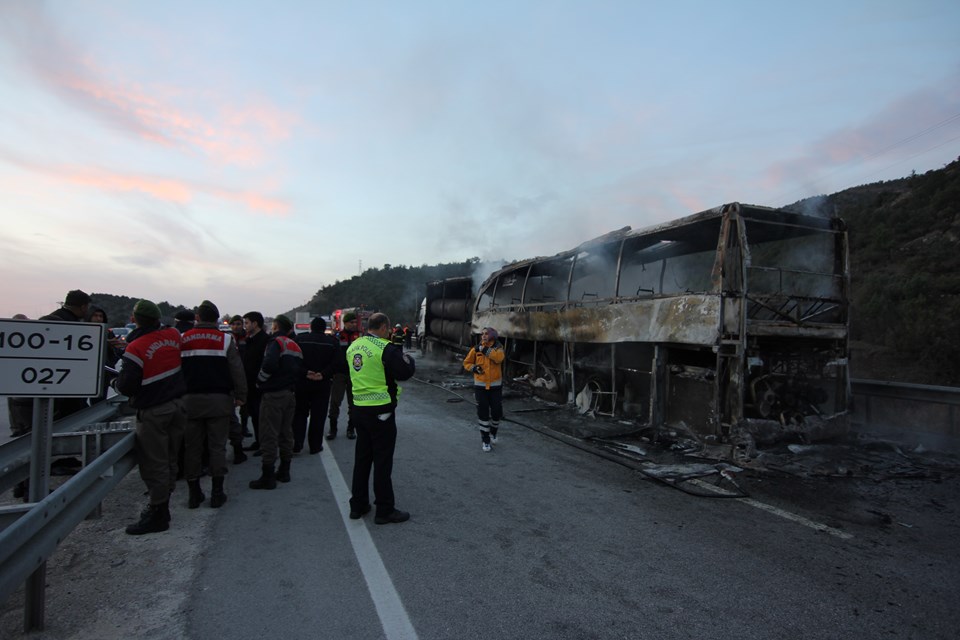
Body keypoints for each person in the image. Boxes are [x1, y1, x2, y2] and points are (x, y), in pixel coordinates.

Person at [114, 299, 186, 535]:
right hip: (177, 405)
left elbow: (127, 386)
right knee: (170, 458)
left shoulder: (135, 348)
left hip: (154, 411)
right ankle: (164, 500)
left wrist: (115, 382)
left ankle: (158, 512)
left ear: (134, 319)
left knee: (154, 462)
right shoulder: (174, 335)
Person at [346, 312, 415, 525]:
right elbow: (405, 371)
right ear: (384, 327)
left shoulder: (353, 347)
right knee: (382, 461)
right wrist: (409, 359)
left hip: (359, 410)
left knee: (362, 459)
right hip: (381, 412)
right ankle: (384, 510)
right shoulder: (385, 347)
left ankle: (358, 505)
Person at [180, 300, 247, 509]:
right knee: (217, 447)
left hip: (190, 402)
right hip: (219, 401)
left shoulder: (183, 339)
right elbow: (237, 371)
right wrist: (241, 395)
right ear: (217, 319)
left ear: (197, 318)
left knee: (192, 448)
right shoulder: (225, 340)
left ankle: (194, 494)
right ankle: (217, 494)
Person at [249, 314, 303, 490]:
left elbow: (269, 365)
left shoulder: (275, 343)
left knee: (269, 434)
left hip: (273, 395)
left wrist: (259, 381)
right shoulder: (294, 345)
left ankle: (268, 476)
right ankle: (284, 471)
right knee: (286, 433)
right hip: (289, 394)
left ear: (276, 326)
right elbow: (299, 370)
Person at [40, 290, 93, 420]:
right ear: (83, 306)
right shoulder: (72, 324)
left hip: (46, 382)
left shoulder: (50, 318)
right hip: (67, 390)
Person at [292, 316, 342, 454]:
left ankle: (297, 443)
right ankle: (315, 446)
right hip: (322, 384)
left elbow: (293, 361)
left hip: (302, 382)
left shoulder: (299, 340)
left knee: (299, 414)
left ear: (311, 327)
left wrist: (305, 372)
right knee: (318, 416)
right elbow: (337, 363)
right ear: (324, 328)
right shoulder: (332, 342)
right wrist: (323, 374)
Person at [463, 327, 506, 452]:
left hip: (495, 387)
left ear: (492, 335)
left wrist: (485, 349)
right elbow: (466, 363)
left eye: (486, 334)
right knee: (483, 413)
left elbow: (499, 358)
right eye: (482, 334)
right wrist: (474, 368)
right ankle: (485, 440)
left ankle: (493, 432)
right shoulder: (476, 349)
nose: (483, 336)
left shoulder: (498, 348)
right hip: (480, 387)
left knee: (497, 412)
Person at [328, 313, 361, 440]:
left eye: (354, 322)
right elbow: (333, 355)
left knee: (354, 403)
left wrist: (357, 368)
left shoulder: (359, 337)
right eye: (351, 322)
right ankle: (333, 429)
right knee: (335, 402)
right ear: (345, 323)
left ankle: (351, 429)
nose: (353, 324)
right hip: (339, 374)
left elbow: (360, 354)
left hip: (354, 375)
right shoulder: (337, 336)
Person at [240, 311, 270, 454]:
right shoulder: (250, 339)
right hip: (250, 384)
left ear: (255, 323)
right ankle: (259, 442)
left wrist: (260, 381)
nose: (244, 326)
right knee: (254, 414)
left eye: (246, 323)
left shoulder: (264, 340)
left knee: (261, 416)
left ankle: (264, 444)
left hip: (259, 385)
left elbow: (265, 363)